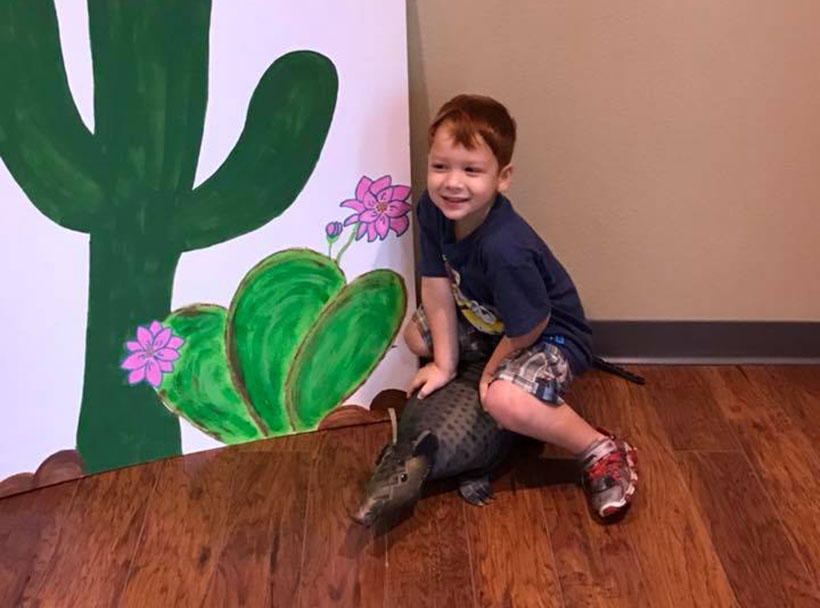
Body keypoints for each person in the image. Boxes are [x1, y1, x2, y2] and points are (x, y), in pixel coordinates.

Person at [405, 94, 638, 519]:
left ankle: (600, 449)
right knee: (415, 334)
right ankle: (477, 368)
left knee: (504, 401)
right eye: (441, 166)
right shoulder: (431, 209)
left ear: (503, 177)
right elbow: (435, 285)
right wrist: (443, 364)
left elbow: (530, 326)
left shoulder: (504, 247)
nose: (452, 183)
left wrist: (492, 373)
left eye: (471, 170)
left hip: (547, 333)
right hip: (489, 316)